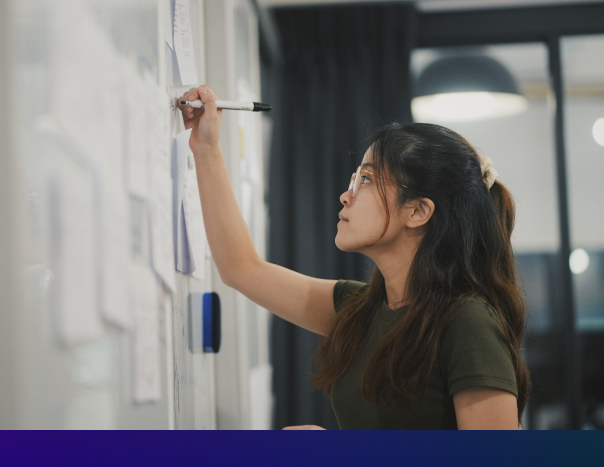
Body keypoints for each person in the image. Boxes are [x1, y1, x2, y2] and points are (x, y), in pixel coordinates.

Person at [177, 85, 530, 430]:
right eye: (354, 179)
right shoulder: (360, 310)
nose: (346, 196)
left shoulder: (469, 321)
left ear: (418, 211)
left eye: (367, 180)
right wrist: (206, 148)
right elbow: (241, 269)